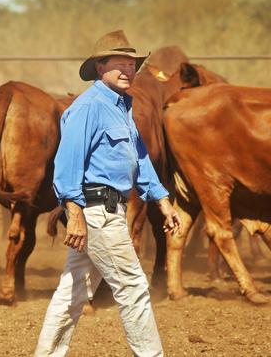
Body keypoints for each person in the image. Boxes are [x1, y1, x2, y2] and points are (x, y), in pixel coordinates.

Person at [34, 30, 181, 357]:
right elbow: (67, 163)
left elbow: (140, 158)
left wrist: (163, 200)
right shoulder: (89, 107)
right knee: (134, 287)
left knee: (71, 293)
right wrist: (74, 215)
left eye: (132, 64)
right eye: (120, 64)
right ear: (100, 67)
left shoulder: (121, 107)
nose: (128, 70)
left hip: (109, 208)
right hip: (97, 210)